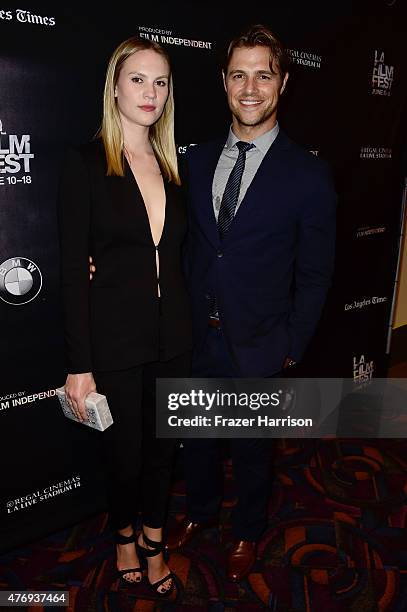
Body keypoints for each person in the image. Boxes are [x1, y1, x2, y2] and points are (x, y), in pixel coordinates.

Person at [166, 24, 337, 582]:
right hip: (196, 333)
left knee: (252, 448)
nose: (250, 87)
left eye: (263, 74)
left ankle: (246, 530)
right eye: (239, 74)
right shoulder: (193, 160)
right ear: (223, 81)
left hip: (261, 342)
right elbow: (174, 242)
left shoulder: (308, 173)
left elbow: (315, 273)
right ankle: (198, 512)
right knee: (196, 438)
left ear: (282, 82)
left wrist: (291, 345)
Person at [58, 36, 192, 597]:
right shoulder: (85, 164)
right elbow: (71, 272)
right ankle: (122, 539)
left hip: (175, 339)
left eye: (160, 81)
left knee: (164, 451)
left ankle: (156, 544)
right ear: (114, 85)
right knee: (125, 457)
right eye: (137, 79)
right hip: (113, 342)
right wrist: (79, 365)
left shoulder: (173, 162)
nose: (150, 92)